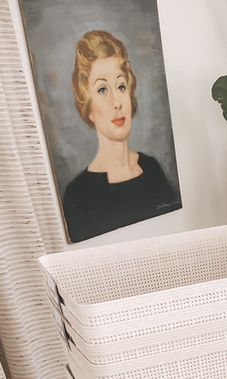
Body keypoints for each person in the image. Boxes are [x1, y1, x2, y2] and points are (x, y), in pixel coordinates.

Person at [62, 29, 179, 242]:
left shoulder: (151, 168)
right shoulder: (78, 194)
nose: (117, 102)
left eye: (121, 86)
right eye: (102, 90)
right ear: (86, 104)